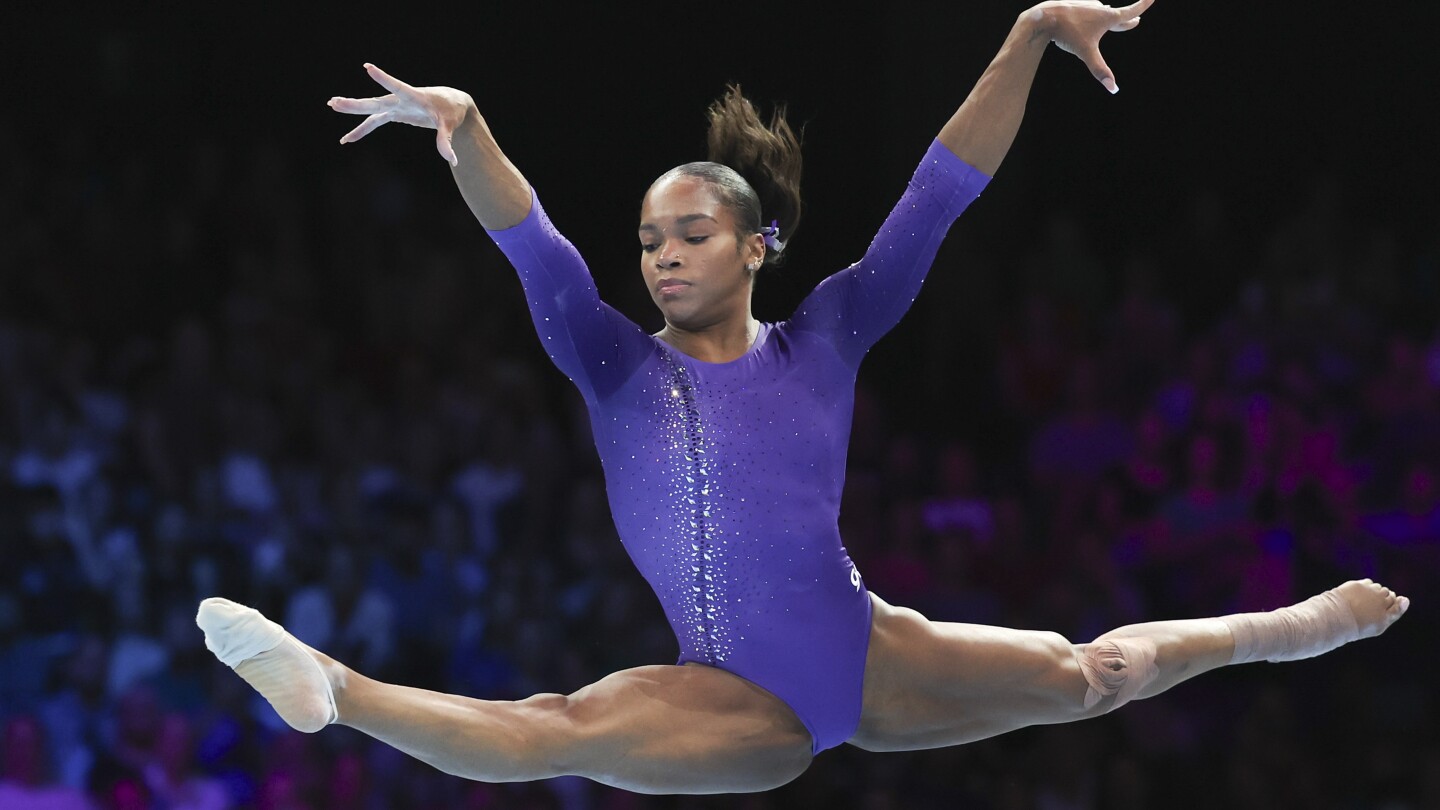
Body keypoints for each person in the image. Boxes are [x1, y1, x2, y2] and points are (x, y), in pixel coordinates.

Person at [196, 0, 1409, 796]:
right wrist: (464, 131)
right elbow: (535, 246)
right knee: (560, 727)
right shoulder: (613, 363)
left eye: (690, 234)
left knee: (1094, 677)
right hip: (729, 696)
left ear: (757, 244)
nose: (661, 256)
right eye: (649, 239)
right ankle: (337, 691)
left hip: (866, 654)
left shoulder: (827, 335)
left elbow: (940, 194)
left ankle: (1296, 627)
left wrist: (1030, 33)